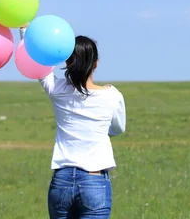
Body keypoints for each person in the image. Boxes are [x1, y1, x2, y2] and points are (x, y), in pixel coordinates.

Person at [19, 25, 127, 219]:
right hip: (95, 181)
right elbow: (118, 128)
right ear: (96, 64)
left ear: (67, 62)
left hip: (61, 181)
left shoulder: (57, 89)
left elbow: (36, 59)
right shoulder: (112, 95)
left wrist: (25, 31)